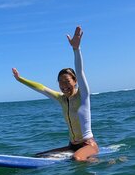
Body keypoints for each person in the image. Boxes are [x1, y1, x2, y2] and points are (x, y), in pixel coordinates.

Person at [12, 26, 98, 161]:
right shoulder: (61, 99)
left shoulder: (83, 95)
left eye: (67, 81)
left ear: (75, 81)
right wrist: (20, 79)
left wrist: (76, 49)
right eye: (60, 82)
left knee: (76, 158)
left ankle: (98, 161)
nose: (64, 86)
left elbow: (80, 71)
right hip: (72, 145)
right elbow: (41, 88)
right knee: (39, 156)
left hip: (88, 144)